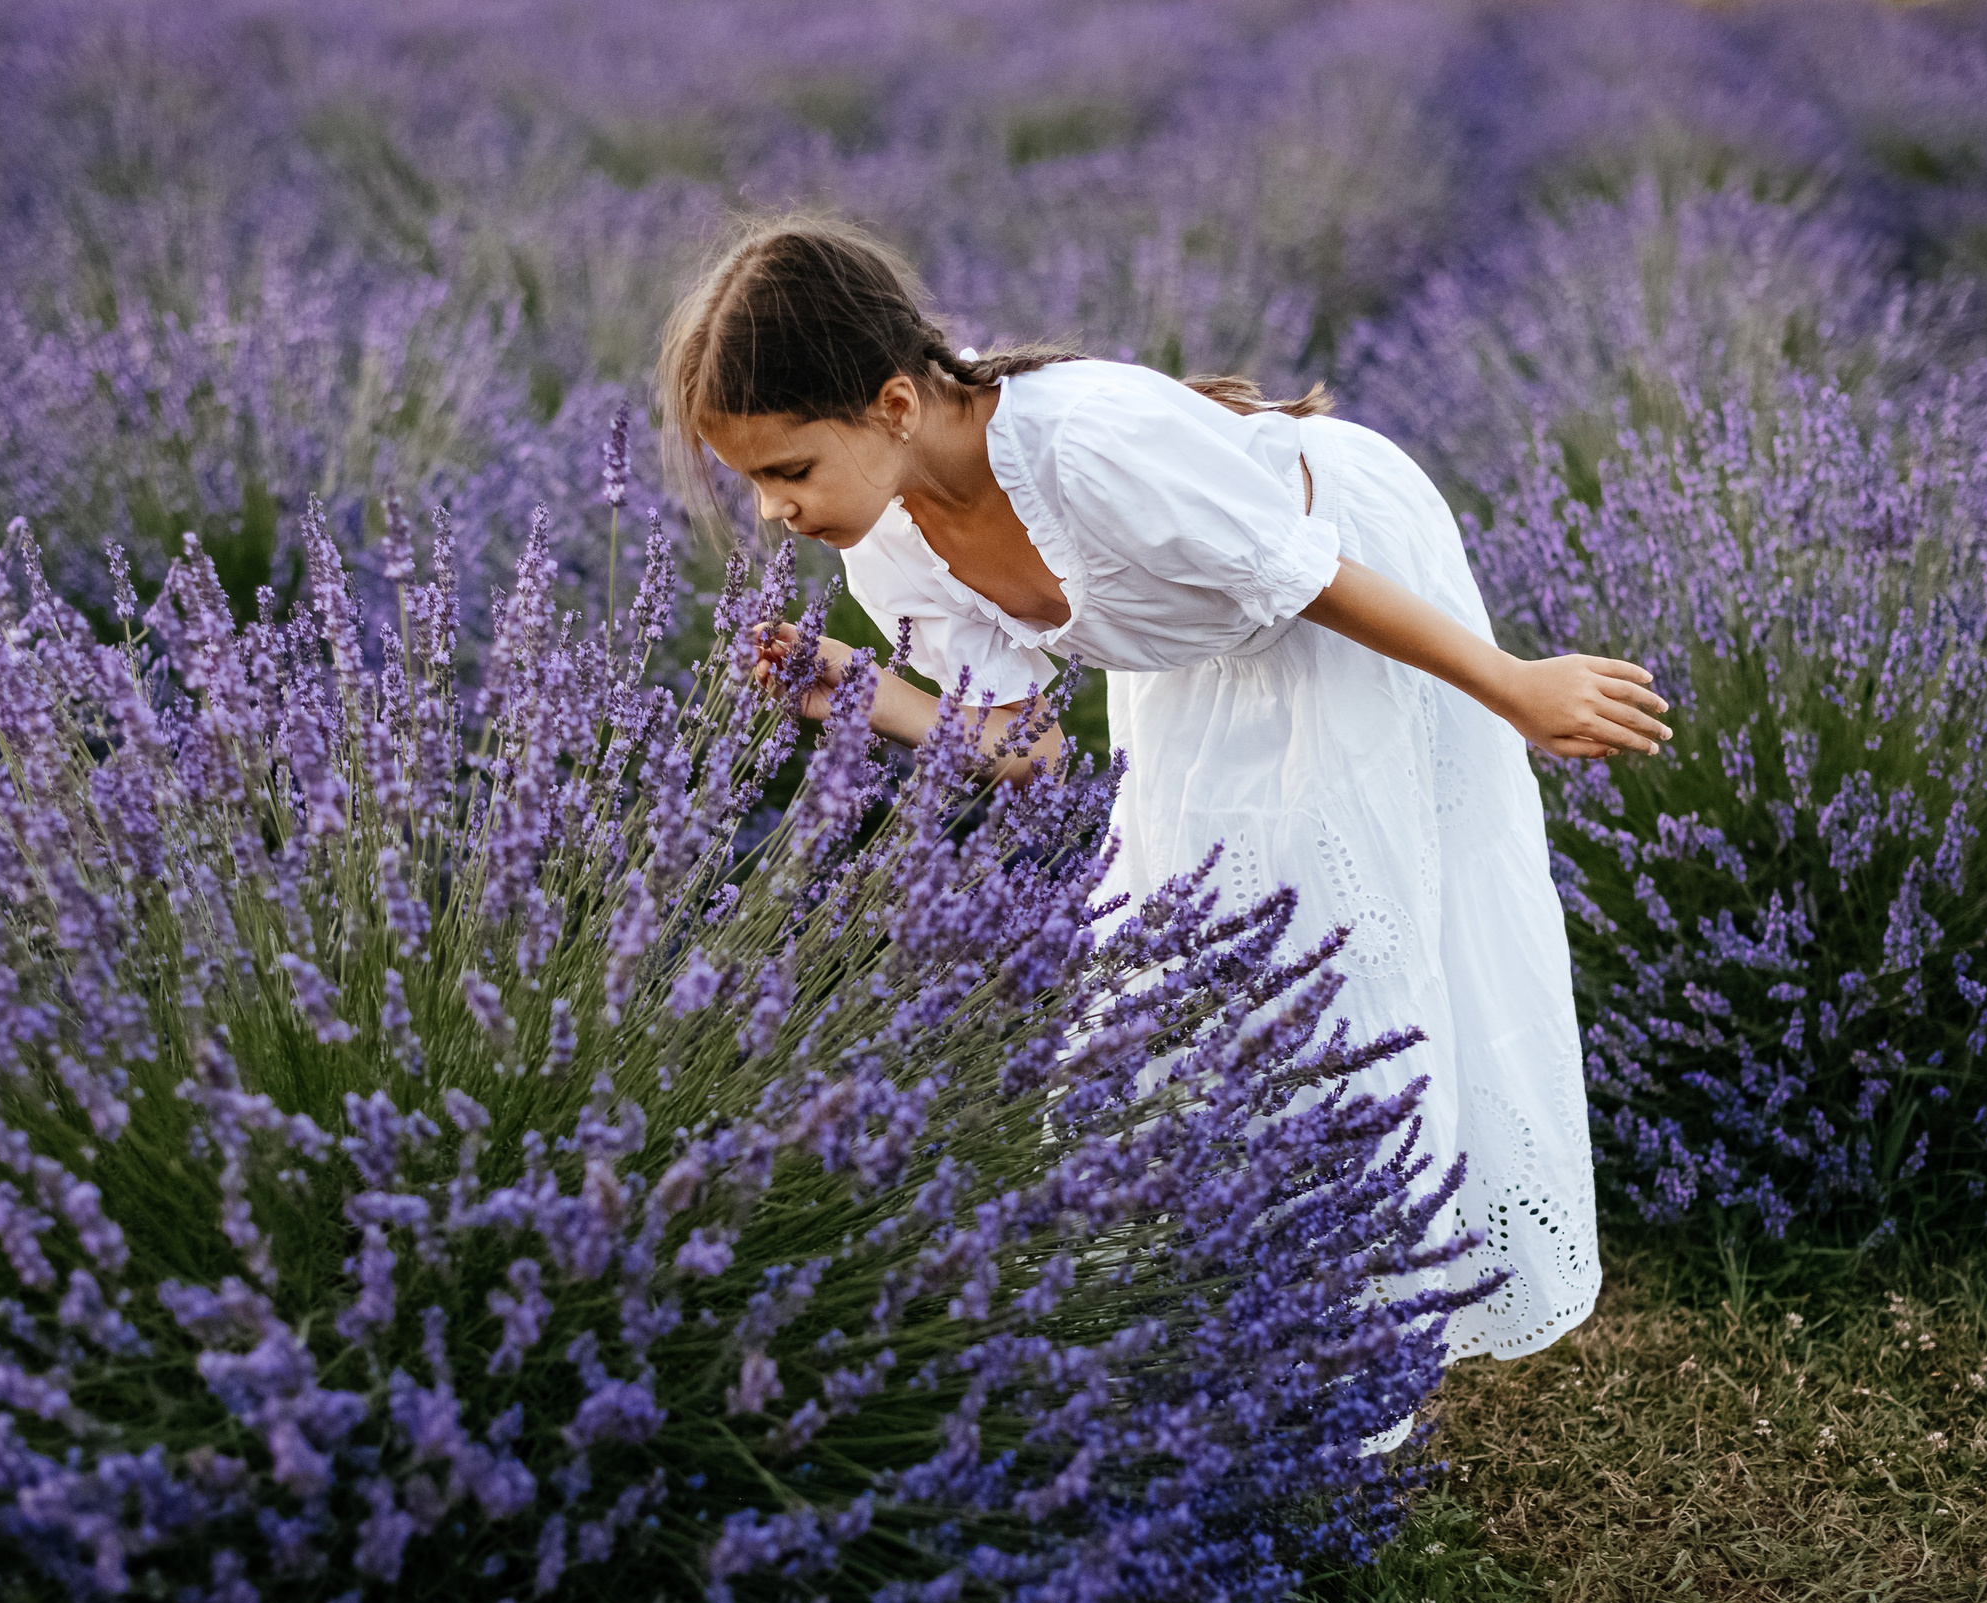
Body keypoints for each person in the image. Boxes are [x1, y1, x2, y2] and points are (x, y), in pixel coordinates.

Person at [657, 215, 1670, 1368]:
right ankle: (1203, 1312)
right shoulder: (885, 535)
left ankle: (1366, 1331)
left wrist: (1509, 686)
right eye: (751, 485)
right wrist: (859, 693)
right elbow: (1022, 746)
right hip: (1192, 641)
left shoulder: (1084, 444)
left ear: (892, 406)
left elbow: (1309, 581)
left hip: (1339, 569)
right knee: (1179, 946)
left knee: (1340, 932)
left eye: (787, 470)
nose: (773, 511)